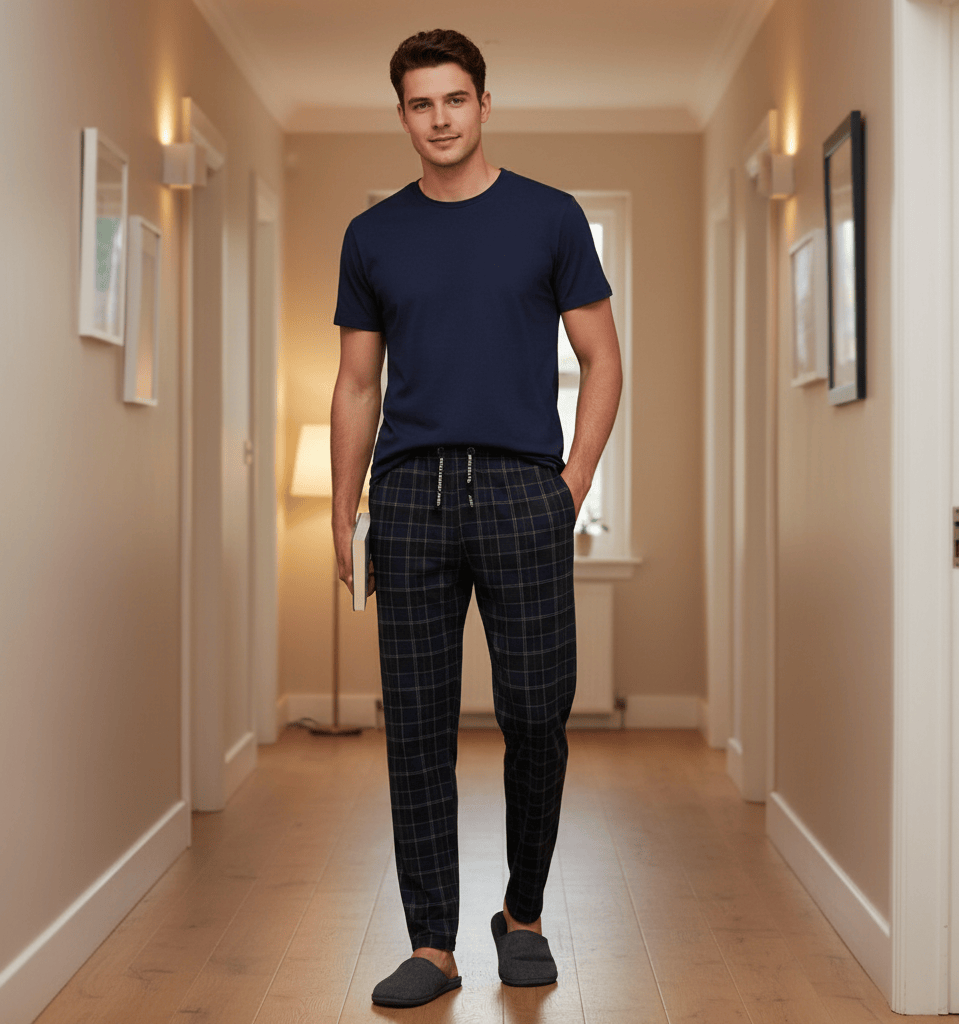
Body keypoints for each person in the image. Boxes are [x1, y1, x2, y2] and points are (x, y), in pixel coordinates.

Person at [330, 27, 623, 1009]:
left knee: (536, 715)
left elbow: (602, 358)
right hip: (410, 495)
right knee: (416, 727)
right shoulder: (373, 235)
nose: (440, 118)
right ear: (403, 114)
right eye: (420, 103)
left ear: (483, 104)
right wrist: (342, 510)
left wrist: (570, 482)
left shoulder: (549, 218)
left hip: (521, 490)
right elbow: (356, 383)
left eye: (455, 98)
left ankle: (524, 914)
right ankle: (432, 943)